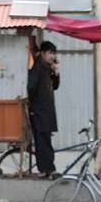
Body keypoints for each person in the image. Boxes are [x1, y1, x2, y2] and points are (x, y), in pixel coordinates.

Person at [27, 41, 61, 179]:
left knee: (45, 140)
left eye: (54, 53)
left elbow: (55, 86)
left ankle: (46, 168)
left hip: (46, 110)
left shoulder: (48, 68)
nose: (52, 56)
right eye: (50, 53)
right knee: (42, 141)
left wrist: (56, 72)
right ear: (42, 53)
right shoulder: (38, 67)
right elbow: (31, 87)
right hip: (39, 111)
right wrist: (33, 106)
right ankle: (47, 169)